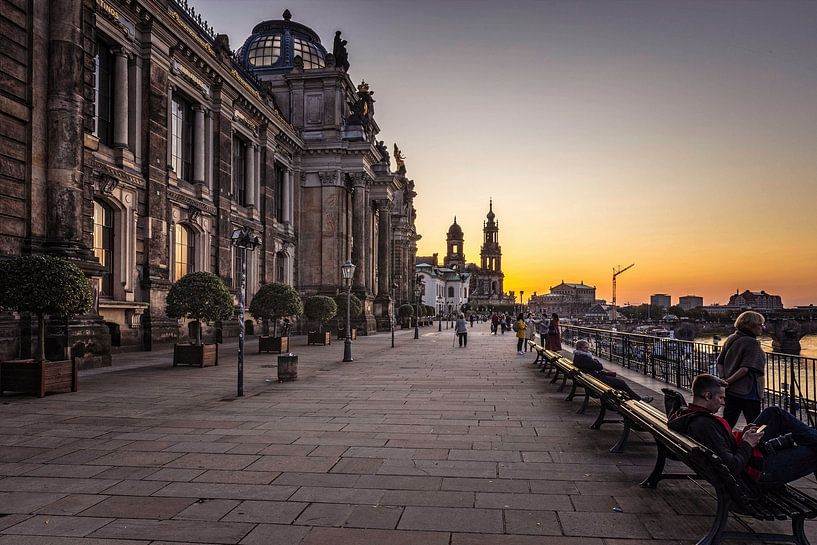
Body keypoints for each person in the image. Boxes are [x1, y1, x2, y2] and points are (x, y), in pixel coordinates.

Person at [669, 373, 817, 488]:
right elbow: (732, 467)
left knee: (774, 412)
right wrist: (747, 443)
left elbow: (722, 444)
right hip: (754, 473)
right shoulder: (704, 425)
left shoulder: (688, 415)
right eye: (721, 398)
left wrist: (741, 435)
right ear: (708, 395)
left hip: (744, 456)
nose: (723, 402)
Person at [717, 311, 766, 428]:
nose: (762, 328)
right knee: (754, 424)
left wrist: (724, 380)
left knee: (728, 421)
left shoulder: (731, 338)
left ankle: (721, 441)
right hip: (748, 391)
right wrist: (727, 382)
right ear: (751, 325)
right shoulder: (752, 343)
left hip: (731, 390)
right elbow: (745, 369)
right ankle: (754, 445)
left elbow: (720, 362)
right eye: (760, 325)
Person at [573, 340, 653, 403]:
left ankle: (633, 398)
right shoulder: (584, 358)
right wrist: (595, 360)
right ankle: (637, 399)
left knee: (618, 382)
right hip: (598, 381)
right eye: (586, 348)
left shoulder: (578, 356)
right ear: (580, 348)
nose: (588, 349)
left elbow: (594, 367)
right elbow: (599, 366)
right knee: (621, 382)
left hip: (594, 381)